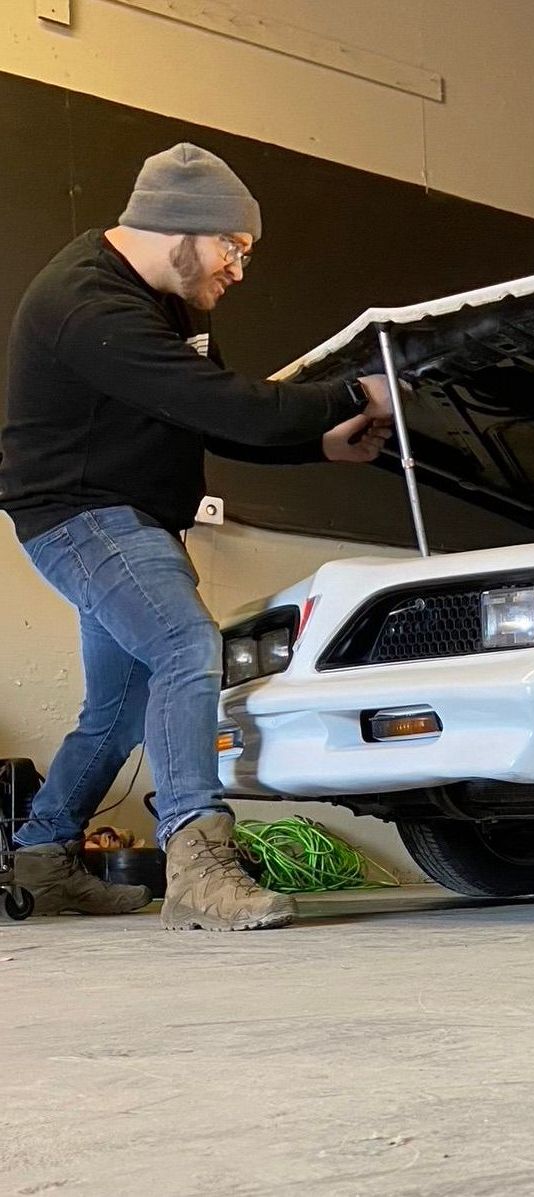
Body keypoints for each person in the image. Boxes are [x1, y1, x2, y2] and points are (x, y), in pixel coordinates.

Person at [0, 142, 395, 931]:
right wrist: (355, 389)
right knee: (186, 645)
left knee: (117, 707)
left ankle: (40, 858)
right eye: (234, 247)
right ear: (182, 228)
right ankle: (197, 857)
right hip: (82, 515)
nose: (239, 270)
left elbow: (214, 416)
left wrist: (319, 441)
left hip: (129, 516)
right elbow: (234, 405)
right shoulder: (89, 303)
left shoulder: (165, 304)